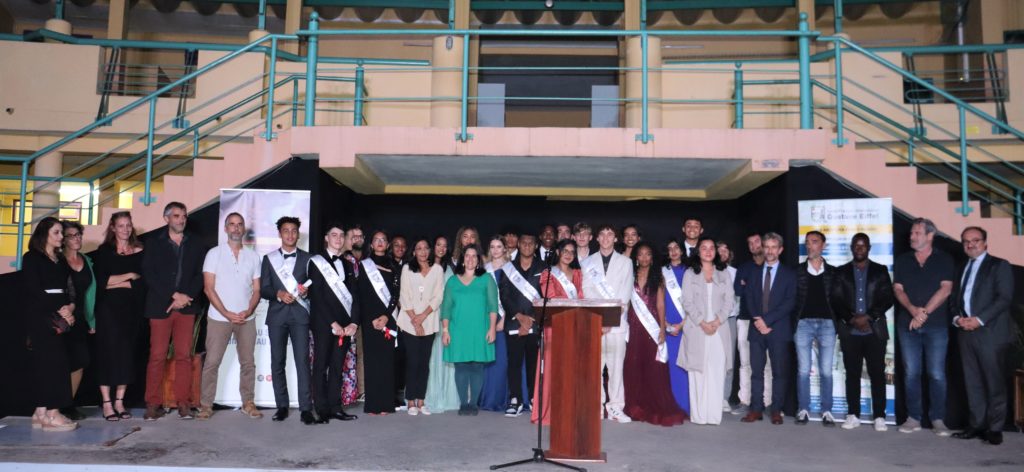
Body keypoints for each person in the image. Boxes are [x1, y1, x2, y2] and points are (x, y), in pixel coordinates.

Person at [141, 202, 206, 421]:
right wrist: (173, 295)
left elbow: (200, 275)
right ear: (166, 218)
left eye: (184, 216)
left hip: (186, 307)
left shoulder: (196, 243)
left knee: (184, 356)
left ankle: (183, 404)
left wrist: (185, 297)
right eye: (176, 216)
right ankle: (153, 403)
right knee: (157, 356)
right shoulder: (153, 242)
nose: (181, 220)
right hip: (160, 306)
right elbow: (149, 275)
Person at [951, 227, 1014, 446]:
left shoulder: (999, 265)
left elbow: (1004, 298)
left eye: (975, 240)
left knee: (994, 382)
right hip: (965, 332)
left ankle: (995, 428)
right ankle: (976, 424)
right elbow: (954, 301)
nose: (970, 245)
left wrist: (978, 320)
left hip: (991, 333)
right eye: (966, 241)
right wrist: (958, 320)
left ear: (985, 242)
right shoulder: (961, 268)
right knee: (972, 382)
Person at [892, 217, 955, 436]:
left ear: (930, 236)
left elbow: (946, 290)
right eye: (911, 233)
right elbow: (898, 289)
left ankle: (938, 418)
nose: (912, 236)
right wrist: (912, 311)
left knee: (936, 373)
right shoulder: (903, 260)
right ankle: (913, 418)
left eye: (917, 233)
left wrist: (923, 313)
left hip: (936, 326)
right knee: (911, 373)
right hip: (906, 325)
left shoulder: (944, 259)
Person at [197, 212, 263, 420]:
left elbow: (257, 290)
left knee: (248, 363)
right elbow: (208, 289)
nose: (235, 228)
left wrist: (248, 310)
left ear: (243, 229)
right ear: (225, 229)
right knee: (212, 362)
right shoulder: (213, 254)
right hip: (219, 318)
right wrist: (226, 313)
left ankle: (248, 402)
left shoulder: (253, 256)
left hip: (246, 319)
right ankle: (206, 405)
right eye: (231, 224)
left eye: (239, 224)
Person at [831, 233, 894, 432]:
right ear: (851, 248)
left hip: (874, 331)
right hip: (850, 332)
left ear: (869, 247)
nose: (859, 249)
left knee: (877, 374)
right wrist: (852, 320)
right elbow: (836, 299)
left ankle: (879, 416)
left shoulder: (880, 270)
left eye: (863, 246)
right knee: (852, 374)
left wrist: (868, 317)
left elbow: (887, 298)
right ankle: (853, 415)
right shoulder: (841, 272)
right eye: (856, 246)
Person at [23, 217, 78, 431]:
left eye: (61, 233)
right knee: (53, 364)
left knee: (52, 364)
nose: (61, 237)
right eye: (56, 232)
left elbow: (67, 287)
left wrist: (69, 310)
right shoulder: (31, 258)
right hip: (41, 317)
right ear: (45, 233)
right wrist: (60, 313)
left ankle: (41, 411)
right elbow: (34, 290)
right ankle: (53, 413)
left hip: (59, 314)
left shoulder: (60, 259)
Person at [623, 242, 687, 426]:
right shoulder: (631, 275)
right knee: (633, 365)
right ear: (636, 257)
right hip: (634, 325)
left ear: (652, 258)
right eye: (641, 254)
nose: (644, 258)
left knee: (654, 366)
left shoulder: (658, 276)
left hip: (650, 326)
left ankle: (653, 404)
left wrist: (661, 329)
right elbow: (627, 302)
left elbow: (660, 304)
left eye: (647, 254)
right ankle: (634, 405)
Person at [259, 216, 314, 424]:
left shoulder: (309, 259)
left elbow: (315, 289)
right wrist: (278, 293)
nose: (290, 234)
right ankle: (281, 406)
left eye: (293, 231)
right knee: (277, 362)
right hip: (277, 316)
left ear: (298, 234)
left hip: (300, 316)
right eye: (286, 230)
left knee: (302, 362)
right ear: (279, 233)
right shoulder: (269, 259)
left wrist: (307, 292)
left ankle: (306, 408)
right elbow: (264, 288)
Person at [90, 211, 143, 422]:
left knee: (126, 356)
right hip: (107, 311)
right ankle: (107, 403)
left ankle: (120, 401)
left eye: (128, 225)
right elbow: (102, 281)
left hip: (130, 311)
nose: (125, 229)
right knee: (107, 355)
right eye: (120, 225)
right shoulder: (104, 252)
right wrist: (129, 276)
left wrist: (117, 282)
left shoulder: (140, 251)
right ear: (113, 228)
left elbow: (143, 283)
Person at [678, 236, 735, 425]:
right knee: (698, 372)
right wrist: (703, 323)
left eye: (712, 248)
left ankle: (713, 415)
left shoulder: (724, 273)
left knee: (716, 371)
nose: (709, 251)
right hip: (697, 328)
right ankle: (699, 415)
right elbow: (687, 301)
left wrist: (716, 321)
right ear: (698, 251)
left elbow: (729, 301)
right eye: (704, 248)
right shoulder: (689, 274)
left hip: (719, 329)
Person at [740, 232, 795, 426]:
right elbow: (749, 298)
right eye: (767, 247)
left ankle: (776, 410)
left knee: (779, 372)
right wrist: (758, 320)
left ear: (780, 250)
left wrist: (767, 321)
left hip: (778, 330)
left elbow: (789, 302)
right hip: (756, 328)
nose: (770, 251)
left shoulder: (789, 274)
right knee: (756, 371)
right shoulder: (754, 272)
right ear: (762, 248)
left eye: (774, 247)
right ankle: (756, 409)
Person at [307, 222, 360, 423]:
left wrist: (354, 323)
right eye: (334, 235)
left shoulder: (348, 264)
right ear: (326, 238)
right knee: (321, 366)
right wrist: (333, 323)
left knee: (338, 366)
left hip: (345, 327)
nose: (338, 239)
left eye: (341, 235)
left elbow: (355, 295)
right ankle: (321, 409)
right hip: (324, 324)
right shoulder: (316, 262)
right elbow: (317, 296)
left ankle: (335, 407)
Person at [582, 225, 634, 424]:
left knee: (615, 368)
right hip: (594, 322)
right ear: (597, 238)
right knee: (594, 368)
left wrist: (610, 320)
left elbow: (625, 294)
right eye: (602, 234)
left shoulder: (626, 262)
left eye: (610, 234)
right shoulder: (588, 262)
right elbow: (586, 290)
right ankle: (596, 406)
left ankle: (615, 407)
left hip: (617, 324)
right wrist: (600, 318)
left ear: (615, 239)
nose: (605, 237)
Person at [441, 244, 499, 415]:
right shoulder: (452, 281)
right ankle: (463, 404)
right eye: (467, 255)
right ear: (463, 258)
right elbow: (446, 308)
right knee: (461, 367)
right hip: (457, 329)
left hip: (480, 329)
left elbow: (493, 306)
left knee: (476, 366)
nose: (471, 259)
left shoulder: (486, 279)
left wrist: (492, 328)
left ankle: (473, 403)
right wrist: (445, 330)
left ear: (479, 260)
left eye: (474, 256)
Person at [532, 238, 584, 425]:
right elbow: (551, 297)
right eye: (565, 251)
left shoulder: (578, 274)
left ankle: (569, 409)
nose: (569, 254)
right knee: (554, 369)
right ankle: (549, 411)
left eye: (572, 251)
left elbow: (581, 298)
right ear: (558, 253)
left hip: (574, 326)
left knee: (570, 369)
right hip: (554, 326)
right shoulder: (548, 273)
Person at [793, 231, 838, 426]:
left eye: (814, 242)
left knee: (826, 370)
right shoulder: (797, 271)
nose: (810, 246)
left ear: (823, 245)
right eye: (807, 243)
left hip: (828, 324)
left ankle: (827, 410)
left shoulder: (833, 272)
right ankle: (803, 409)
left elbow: (838, 300)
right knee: (803, 369)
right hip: (803, 324)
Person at [499, 233, 546, 417]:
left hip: (534, 324)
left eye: (530, 243)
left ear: (535, 246)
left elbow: (545, 295)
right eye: (524, 243)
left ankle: (534, 399)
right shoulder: (508, 268)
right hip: (514, 323)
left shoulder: (543, 268)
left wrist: (531, 319)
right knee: (514, 363)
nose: (527, 245)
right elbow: (504, 295)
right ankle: (515, 399)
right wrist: (520, 317)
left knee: (534, 364)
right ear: (518, 245)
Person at [356, 230, 401, 415]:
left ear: (387, 244)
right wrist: (371, 318)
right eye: (377, 240)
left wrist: (386, 316)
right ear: (371, 244)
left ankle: (386, 404)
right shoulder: (364, 265)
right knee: (372, 361)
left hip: (387, 319)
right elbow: (361, 294)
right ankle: (373, 404)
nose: (380, 242)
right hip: (370, 320)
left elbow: (395, 294)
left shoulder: (394, 266)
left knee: (387, 361)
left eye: (384, 240)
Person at [398, 237, 444, 416]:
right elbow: (404, 295)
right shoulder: (407, 269)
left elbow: (438, 296)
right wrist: (415, 320)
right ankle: (410, 402)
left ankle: (421, 400)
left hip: (429, 321)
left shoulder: (438, 269)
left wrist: (423, 317)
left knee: (424, 363)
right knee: (413, 362)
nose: (423, 251)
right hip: (409, 323)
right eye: (419, 248)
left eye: (426, 248)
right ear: (414, 251)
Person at [732, 231, 771, 415]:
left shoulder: (773, 266)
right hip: (746, 319)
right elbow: (739, 290)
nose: (754, 245)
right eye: (750, 243)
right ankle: (745, 400)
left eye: (757, 241)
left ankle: (768, 401)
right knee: (745, 363)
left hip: (769, 322)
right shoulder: (744, 267)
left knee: (768, 363)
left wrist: (749, 285)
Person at [60, 220, 95, 421]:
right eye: (72, 235)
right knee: (62, 362)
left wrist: (91, 321)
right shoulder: (57, 261)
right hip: (63, 317)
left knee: (80, 361)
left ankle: (68, 404)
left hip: (81, 316)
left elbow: (92, 292)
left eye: (79, 235)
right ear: (63, 240)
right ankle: (57, 404)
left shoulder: (87, 261)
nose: (77, 239)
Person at [425, 235, 461, 413]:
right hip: (428, 316)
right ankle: (428, 395)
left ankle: (446, 397)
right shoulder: (425, 266)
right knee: (429, 356)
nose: (441, 248)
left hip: (446, 318)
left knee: (444, 354)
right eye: (438, 244)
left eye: (445, 246)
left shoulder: (450, 269)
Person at [479, 235, 511, 412]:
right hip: (487, 319)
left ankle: (500, 399)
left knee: (502, 361)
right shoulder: (484, 270)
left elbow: (513, 298)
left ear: (505, 249)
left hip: (505, 320)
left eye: (499, 246)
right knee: (488, 361)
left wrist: (504, 319)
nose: (496, 250)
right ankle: (487, 398)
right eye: (492, 247)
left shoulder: (511, 269)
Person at [662, 239, 690, 414]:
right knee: (670, 367)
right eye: (669, 248)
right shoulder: (662, 272)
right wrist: (664, 323)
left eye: (676, 248)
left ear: (682, 251)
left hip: (686, 325)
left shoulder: (690, 272)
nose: (673, 251)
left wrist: (682, 324)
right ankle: (673, 405)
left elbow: (695, 301)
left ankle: (686, 405)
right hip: (667, 324)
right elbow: (658, 300)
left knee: (684, 366)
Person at [716, 241, 740, 410]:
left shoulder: (735, 273)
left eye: (726, 249)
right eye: (719, 249)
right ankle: (711, 395)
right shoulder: (707, 271)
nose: (723, 253)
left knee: (728, 360)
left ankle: (724, 397)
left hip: (730, 320)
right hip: (710, 320)